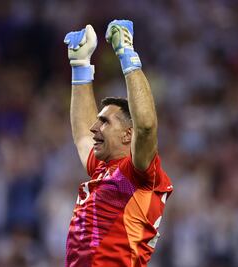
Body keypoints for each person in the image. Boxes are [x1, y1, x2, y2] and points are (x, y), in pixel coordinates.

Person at [63, 20, 173, 267]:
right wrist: (80, 65)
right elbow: (82, 136)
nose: (94, 127)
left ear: (127, 135)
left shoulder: (137, 176)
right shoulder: (103, 171)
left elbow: (146, 126)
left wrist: (127, 53)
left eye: (104, 122)